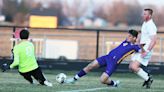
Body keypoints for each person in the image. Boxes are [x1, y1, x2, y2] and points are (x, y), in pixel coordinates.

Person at [64, 29, 144, 87]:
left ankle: (114, 83)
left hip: (113, 63)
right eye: (128, 35)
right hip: (107, 57)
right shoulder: (126, 41)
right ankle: (74, 79)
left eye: (130, 36)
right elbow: (136, 35)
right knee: (90, 65)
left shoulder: (135, 47)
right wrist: (137, 34)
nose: (128, 37)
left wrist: (141, 43)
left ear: (134, 38)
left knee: (102, 80)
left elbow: (142, 50)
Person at [129, 8, 157, 89]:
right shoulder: (145, 23)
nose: (143, 15)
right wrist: (137, 42)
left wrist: (146, 51)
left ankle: (148, 78)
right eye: (143, 13)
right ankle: (147, 76)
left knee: (134, 66)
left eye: (145, 14)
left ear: (150, 15)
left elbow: (154, 41)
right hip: (140, 48)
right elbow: (142, 34)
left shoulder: (151, 25)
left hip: (145, 49)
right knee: (131, 67)